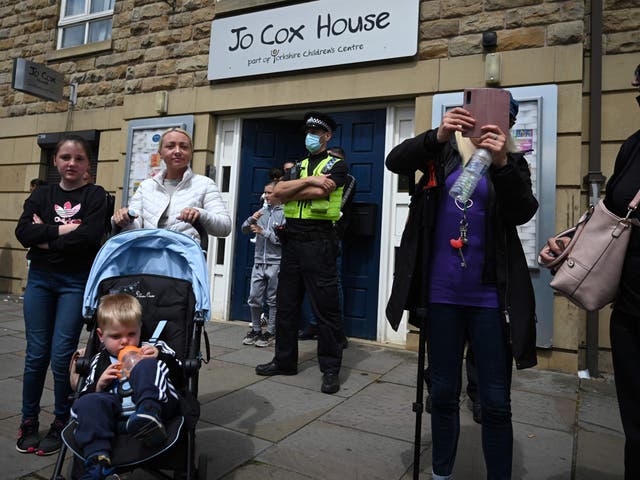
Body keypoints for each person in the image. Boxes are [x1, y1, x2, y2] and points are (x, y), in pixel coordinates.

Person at [386, 92, 538, 479]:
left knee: (495, 402)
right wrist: (437, 134)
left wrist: (501, 162)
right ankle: (441, 473)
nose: (487, 125)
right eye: (477, 117)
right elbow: (395, 161)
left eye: (502, 119)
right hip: (442, 295)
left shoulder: (514, 163)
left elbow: (523, 210)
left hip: (489, 298)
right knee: (441, 394)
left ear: (509, 125)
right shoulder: (442, 154)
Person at [541, 64, 640, 480]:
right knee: (636, 433)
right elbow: (609, 215)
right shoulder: (635, 145)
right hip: (632, 313)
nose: (634, 85)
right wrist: (570, 246)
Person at [15, 135, 109, 456]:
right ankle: (28, 420)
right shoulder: (42, 193)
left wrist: (45, 237)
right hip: (40, 280)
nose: (71, 163)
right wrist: (64, 230)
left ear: (87, 165)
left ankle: (60, 420)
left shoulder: (96, 196)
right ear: (56, 160)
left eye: (79, 159)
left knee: (60, 357)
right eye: (65, 157)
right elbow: (23, 232)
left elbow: (90, 237)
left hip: (74, 281)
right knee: (35, 355)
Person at [255, 111, 348, 395]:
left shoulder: (338, 165)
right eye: (308, 131)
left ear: (327, 136)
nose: (311, 136)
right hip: (293, 241)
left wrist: (297, 189)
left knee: (326, 309)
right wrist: (311, 182)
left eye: (316, 132)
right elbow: (276, 193)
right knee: (286, 305)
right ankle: (284, 361)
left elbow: (319, 194)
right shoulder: (298, 165)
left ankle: (330, 369)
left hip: (319, 241)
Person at [71, 293, 182, 479]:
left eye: (131, 334)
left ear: (140, 328)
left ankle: (148, 413)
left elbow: (180, 377)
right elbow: (84, 395)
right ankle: (98, 462)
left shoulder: (154, 348)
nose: (125, 341)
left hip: (158, 410)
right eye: (116, 336)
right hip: (116, 420)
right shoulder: (100, 361)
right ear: (101, 336)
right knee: (88, 402)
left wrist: (160, 357)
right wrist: (99, 385)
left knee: (146, 366)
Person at [112, 128, 231, 244]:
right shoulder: (146, 186)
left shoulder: (205, 184)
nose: (178, 151)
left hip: (184, 257)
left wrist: (200, 215)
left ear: (191, 153)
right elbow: (135, 227)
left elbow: (225, 227)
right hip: (148, 256)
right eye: (170, 146)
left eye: (184, 147)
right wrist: (125, 219)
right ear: (161, 154)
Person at [298, 146, 354, 349]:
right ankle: (314, 324)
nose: (328, 163)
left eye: (332, 159)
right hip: (310, 236)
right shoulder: (315, 175)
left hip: (333, 236)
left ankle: (336, 331)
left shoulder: (348, 179)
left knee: (332, 283)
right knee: (311, 282)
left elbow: (338, 205)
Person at [241, 181, 285, 348]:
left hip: (276, 263)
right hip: (259, 261)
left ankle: (271, 331)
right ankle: (256, 330)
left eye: (270, 193)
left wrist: (263, 232)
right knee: (254, 297)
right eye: (265, 192)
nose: (266, 196)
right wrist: (252, 219)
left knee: (273, 299)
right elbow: (244, 229)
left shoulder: (284, 214)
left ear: (279, 194)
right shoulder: (262, 211)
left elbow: (283, 240)